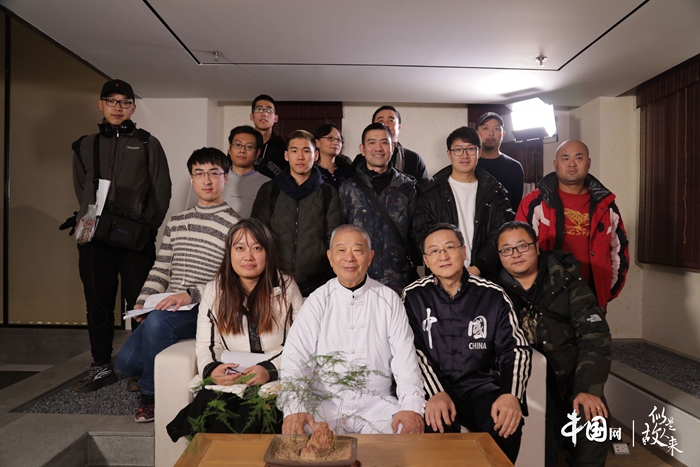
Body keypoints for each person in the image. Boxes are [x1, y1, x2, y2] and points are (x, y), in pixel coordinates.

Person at [115, 147, 241, 422]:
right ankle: (158, 349)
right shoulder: (177, 222)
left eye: (214, 173)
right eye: (199, 173)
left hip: (205, 307)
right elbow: (161, 267)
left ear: (226, 177)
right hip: (169, 305)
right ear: (191, 178)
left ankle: (150, 395)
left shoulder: (236, 225)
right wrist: (144, 300)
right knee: (125, 363)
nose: (206, 180)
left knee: (159, 323)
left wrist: (190, 295)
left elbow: (234, 279)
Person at [71, 79, 171, 392]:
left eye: (124, 102)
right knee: (97, 303)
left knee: (140, 305)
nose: (118, 107)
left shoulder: (147, 143)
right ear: (101, 104)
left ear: (133, 108)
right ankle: (101, 366)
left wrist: (147, 227)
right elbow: (81, 188)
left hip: (135, 240)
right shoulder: (84, 145)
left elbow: (161, 190)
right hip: (94, 237)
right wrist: (89, 221)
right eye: (111, 101)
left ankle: (139, 366)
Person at [402, 223, 531, 464]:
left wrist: (511, 395)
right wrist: (435, 392)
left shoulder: (493, 294)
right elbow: (411, 350)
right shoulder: (413, 296)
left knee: (505, 425)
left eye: (450, 247)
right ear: (426, 260)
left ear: (463, 252)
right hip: (435, 388)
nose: (443, 256)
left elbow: (516, 348)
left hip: (480, 387)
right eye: (434, 251)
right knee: (435, 429)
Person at [279, 225, 425, 435]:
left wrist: (411, 406)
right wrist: (294, 407)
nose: (349, 258)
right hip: (325, 405)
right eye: (341, 250)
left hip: (377, 405)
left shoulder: (389, 299)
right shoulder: (317, 300)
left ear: (370, 257)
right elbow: (296, 357)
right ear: (330, 258)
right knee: (300, 433)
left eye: (357, 250)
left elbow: (405, 359)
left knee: (406, 430)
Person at [166, 218, 304, 439]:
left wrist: (269, 369)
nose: (248, 256)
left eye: (257, 248)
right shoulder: (214, 290)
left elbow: (301, 345)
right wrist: (212, 369)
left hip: (276, 379)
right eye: (240, 248)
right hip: (232, 379)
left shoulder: (287, 287)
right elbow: (207, 343)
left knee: (255, 415)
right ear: (229, 254)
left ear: (268, 252)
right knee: (209, 412)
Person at [494, 221, 611, 467]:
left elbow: (594, 335)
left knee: (593, 426)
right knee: (541, 450)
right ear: (499, 255)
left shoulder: (568, 281)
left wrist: (588, 388)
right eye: (507, 250)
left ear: (537, 247)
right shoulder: (491, 291)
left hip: (571, 378)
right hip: (526, 384)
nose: (515, 254)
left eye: (523, 246)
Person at [516, 140, 629, 308]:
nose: (572, 164)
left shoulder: (606, 205)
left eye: (578, 158)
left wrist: (606, 291)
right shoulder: (535, 203)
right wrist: (531, 291)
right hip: (545, 299)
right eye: (565, 158)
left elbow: (619, 250)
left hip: (592, 299)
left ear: (588, 163)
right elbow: (519, 248)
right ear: (555, 164)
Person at [413, 126, 514, 278]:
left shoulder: (495, 193)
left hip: (485, 275)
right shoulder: (430, 193)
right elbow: (422, 235)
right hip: (442, 274)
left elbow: (500, 234)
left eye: (470, 149)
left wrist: (478, 267)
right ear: (449, 154)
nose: (464, 155)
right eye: (458, 150)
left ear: (479, 152)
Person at [251, 130, 342, 296]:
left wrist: (329, 275)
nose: (300, 157)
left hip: (316, 282)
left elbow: (333, 238)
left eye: (306, 151)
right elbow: (258, 235)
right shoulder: (270, 190)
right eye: (294, 151)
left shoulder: (328, 192)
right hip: (274, 279)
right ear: (286, 155)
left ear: (315, 155)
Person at [339, 123, 418, 294]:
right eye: (372, 142)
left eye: (384, 142)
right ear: (362, 149)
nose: (378, 148)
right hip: (358, 278)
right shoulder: (348, 188)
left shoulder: (407, 187)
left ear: (393, 147)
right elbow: (340, 234)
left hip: (398, 279)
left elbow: (416, 233)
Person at [476, 112, 525, 210]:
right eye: (485, 128)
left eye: (496, 128)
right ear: (477, 133)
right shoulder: (468, 164)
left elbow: (515, 206)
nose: (491, 133)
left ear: (503, 134)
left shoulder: (514, 167)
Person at [222, 125, 270, 218]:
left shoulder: (267, 184)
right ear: (229, 148)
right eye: (237, 145)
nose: (242, 150)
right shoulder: (216, 180)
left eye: (249, 146)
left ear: (257, 153)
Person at [372, 105, 429, 183]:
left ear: (398, 128)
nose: (385, 124)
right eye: (380, 121)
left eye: (391, 120)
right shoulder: (361, 160)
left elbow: (424, 189)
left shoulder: (414, 159)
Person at [250, 94, 287, 178]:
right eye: (259, 109)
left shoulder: (284, 148)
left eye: (269, 110)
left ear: (276, 118)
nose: (264, 114)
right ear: (252, 116)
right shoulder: (242, 146)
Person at [314, 123, 352, 189]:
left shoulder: (347, 167)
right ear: (317, 143)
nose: (336, 143)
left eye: (338, 139)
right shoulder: (311, 170)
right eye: (330, 138)